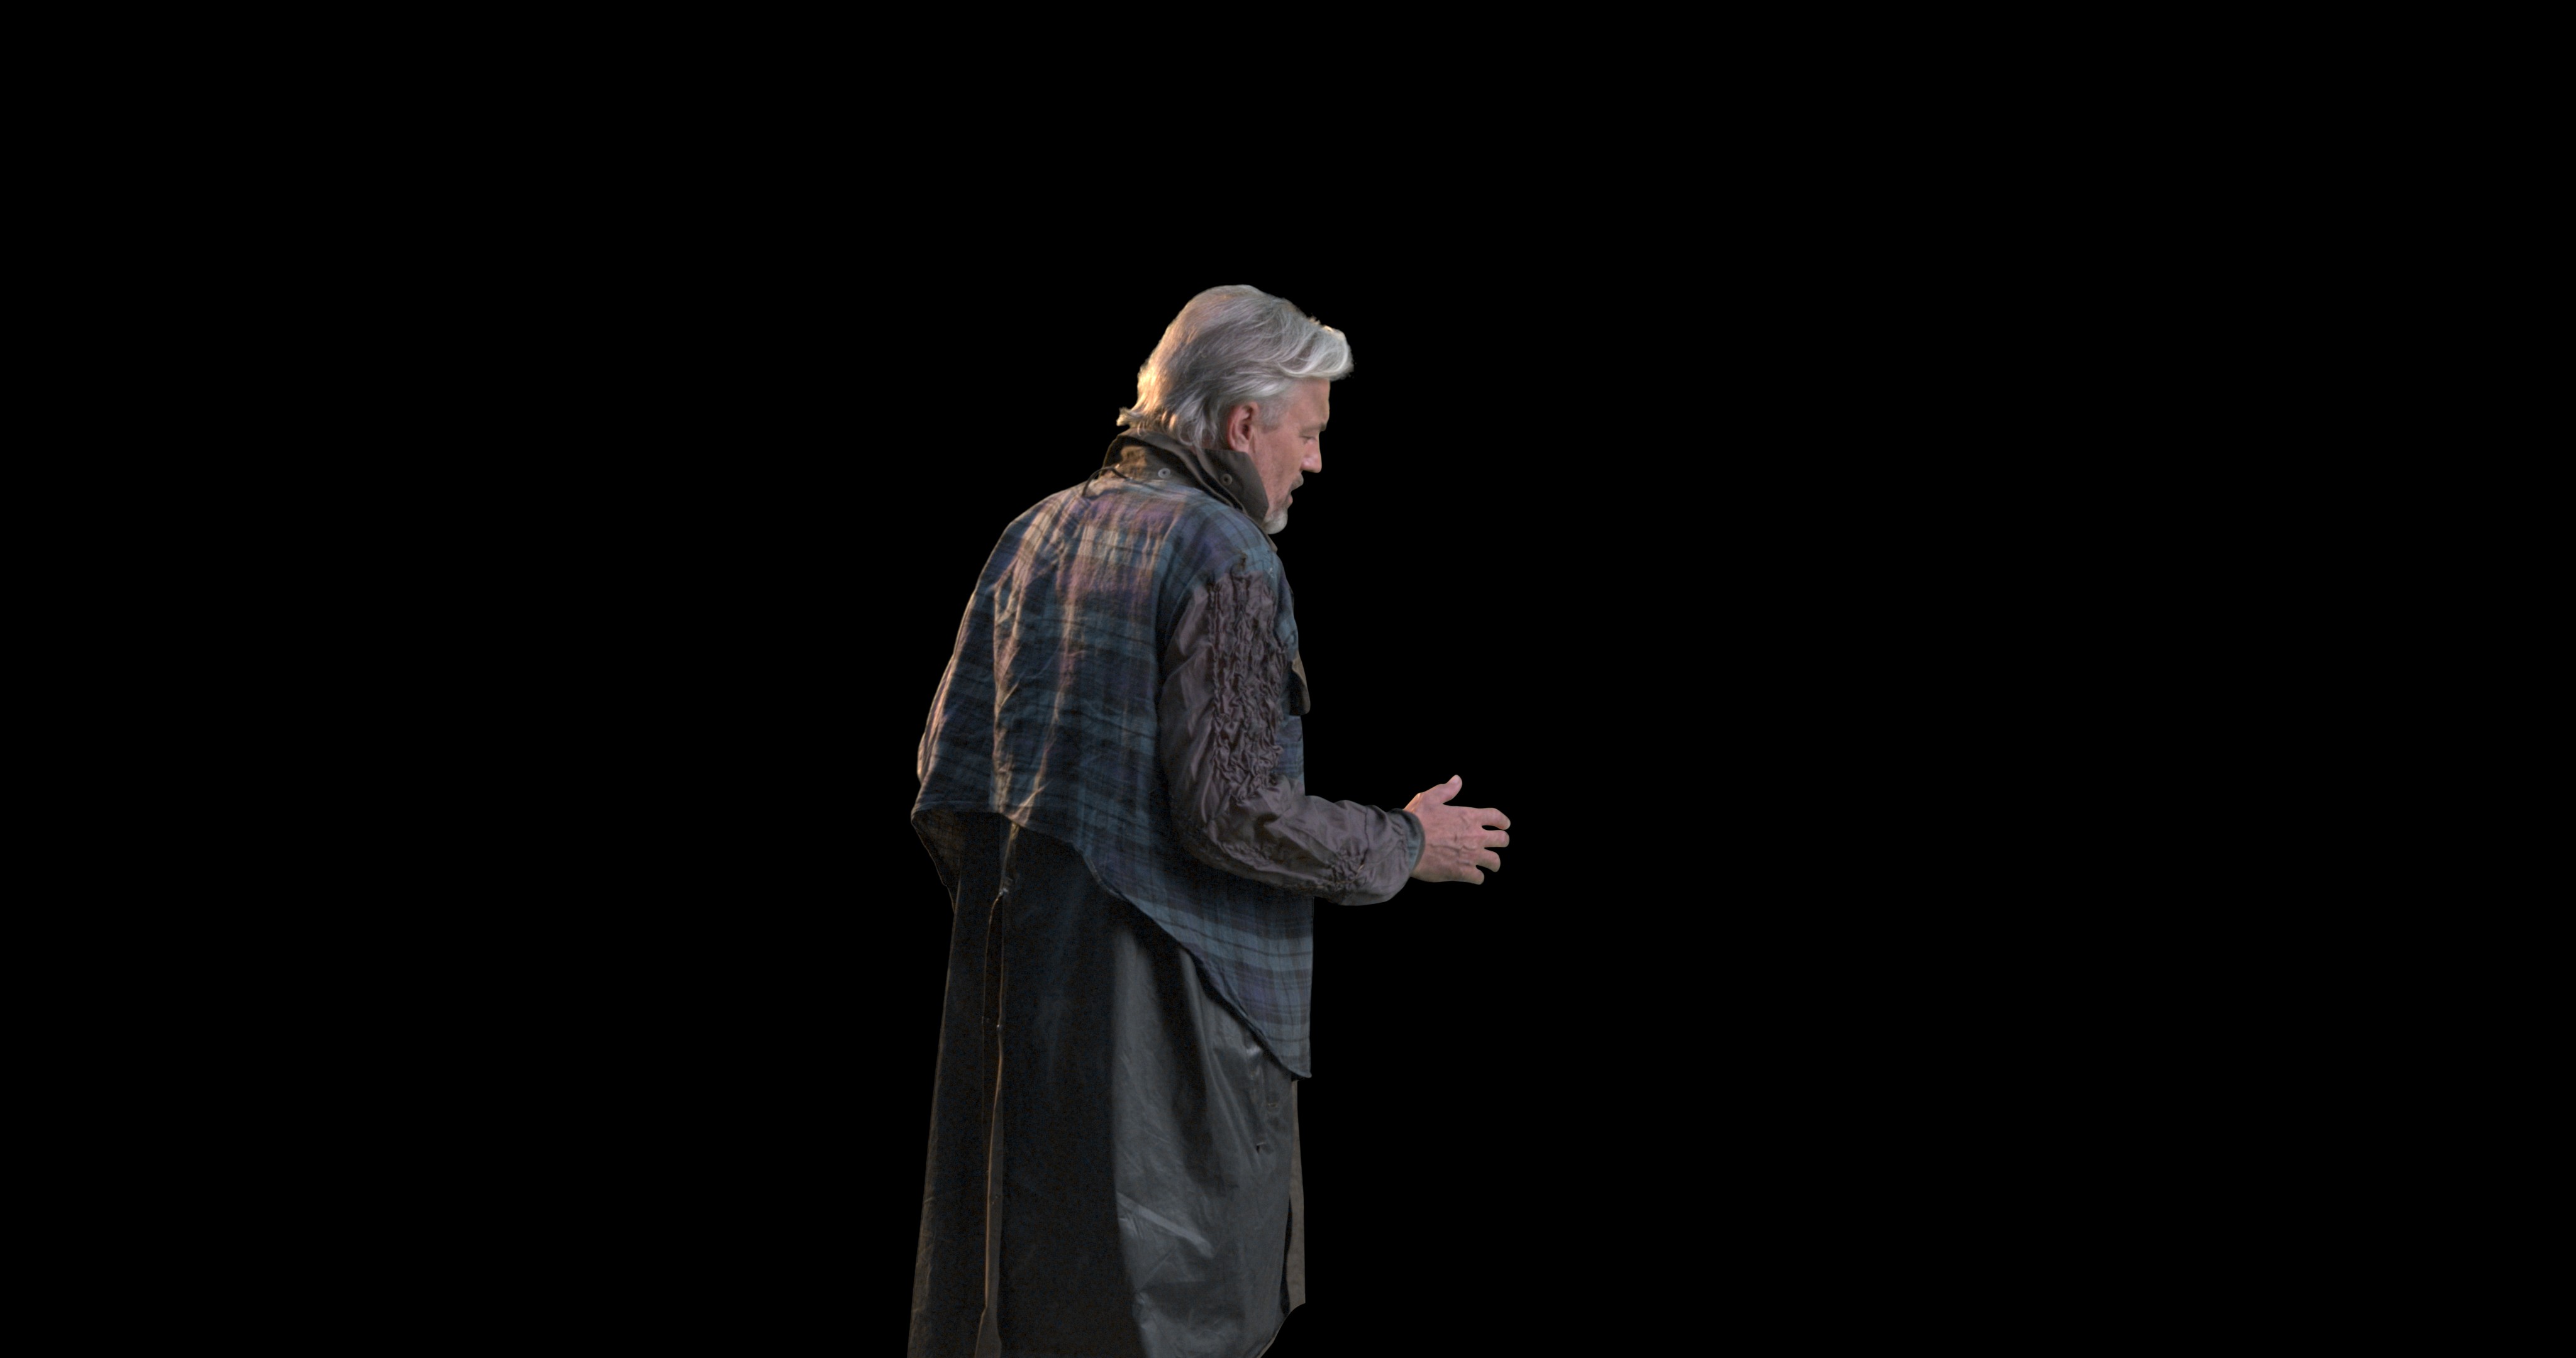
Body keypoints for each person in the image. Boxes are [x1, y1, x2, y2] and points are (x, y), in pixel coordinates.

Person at [906, 285, 1513, 1357]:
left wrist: (1054, 914)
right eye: (1307, 433)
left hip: (1026, 1014)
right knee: (1174, 1319)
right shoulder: (1224, 553)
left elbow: (946, 778)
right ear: (1242, 424)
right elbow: (1233, 811)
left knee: (1035, 1308)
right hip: (1173, 1030)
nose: (1315, 462)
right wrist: (1407, 842)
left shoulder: (1037, 531)